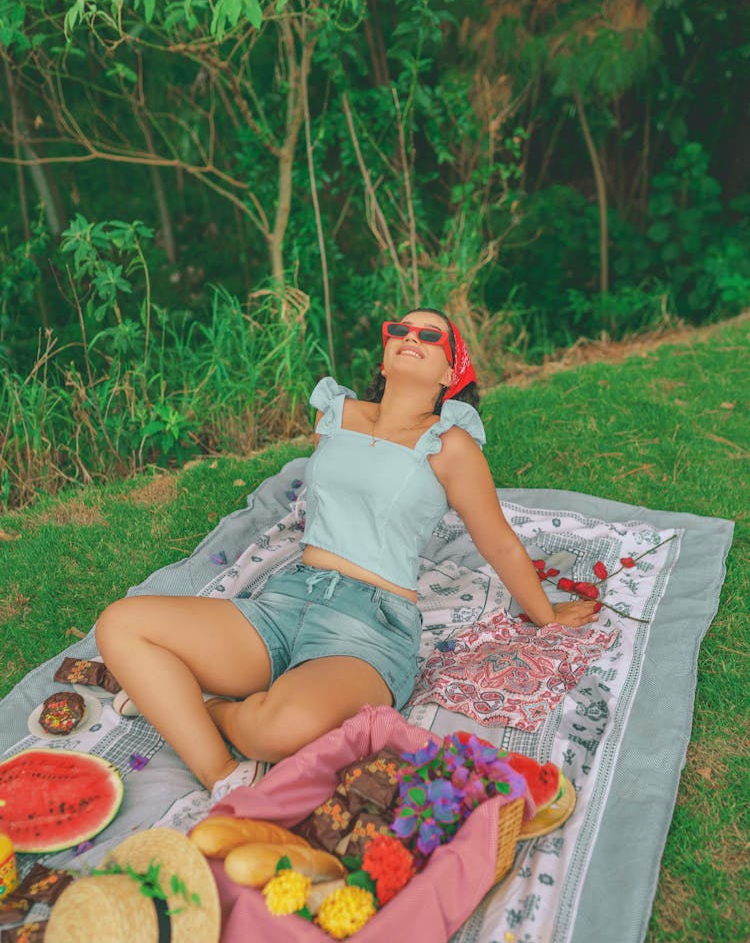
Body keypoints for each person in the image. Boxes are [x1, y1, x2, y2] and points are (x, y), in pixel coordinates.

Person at [96, 308, 600, 803]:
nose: (411, 336)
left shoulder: (451, 446)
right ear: (384, 359)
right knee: (123, 623)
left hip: (370, 628)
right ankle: (224, 774)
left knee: (278, 728)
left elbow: (500, 542)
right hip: (287, 599)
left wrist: (547, 615)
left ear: (450, 373)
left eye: (430, 336)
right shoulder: (336, 415)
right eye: (400, 329)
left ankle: (203, 708)